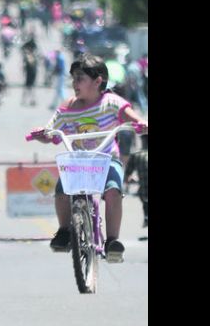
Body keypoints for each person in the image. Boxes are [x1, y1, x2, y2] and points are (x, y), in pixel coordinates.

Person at [32, 53, 148, 261]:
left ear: (97, 81)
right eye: (73, 78)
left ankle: (112, 241)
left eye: (80, 78)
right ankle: (64, 231)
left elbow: (131, 117)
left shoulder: (110, 102)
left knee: (113, 190)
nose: (75, 83)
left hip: (106, 159)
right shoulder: (68, 107)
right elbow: (51, 132)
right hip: (78, 162)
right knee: (62, 190)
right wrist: (42, 134)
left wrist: (140, 124)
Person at [125, 134, 148, 228]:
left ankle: (146, 217)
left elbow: (127, 175)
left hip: (144, 191)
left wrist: (129, 180)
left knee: (145, 199)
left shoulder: (136, 155)